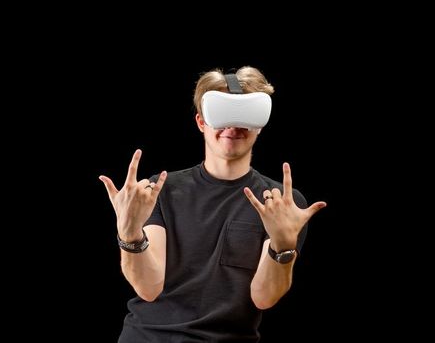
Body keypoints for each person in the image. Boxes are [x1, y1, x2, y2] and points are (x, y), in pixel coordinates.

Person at [98, 67, 327, 342]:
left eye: (243, 115)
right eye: (222, 115)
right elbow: (149, 288)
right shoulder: (159, 190)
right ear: (201, 122)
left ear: (259, 124)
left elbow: (264, 298)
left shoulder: (280, 204)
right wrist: (129, 234)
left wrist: (283, 246)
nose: (232, 127)